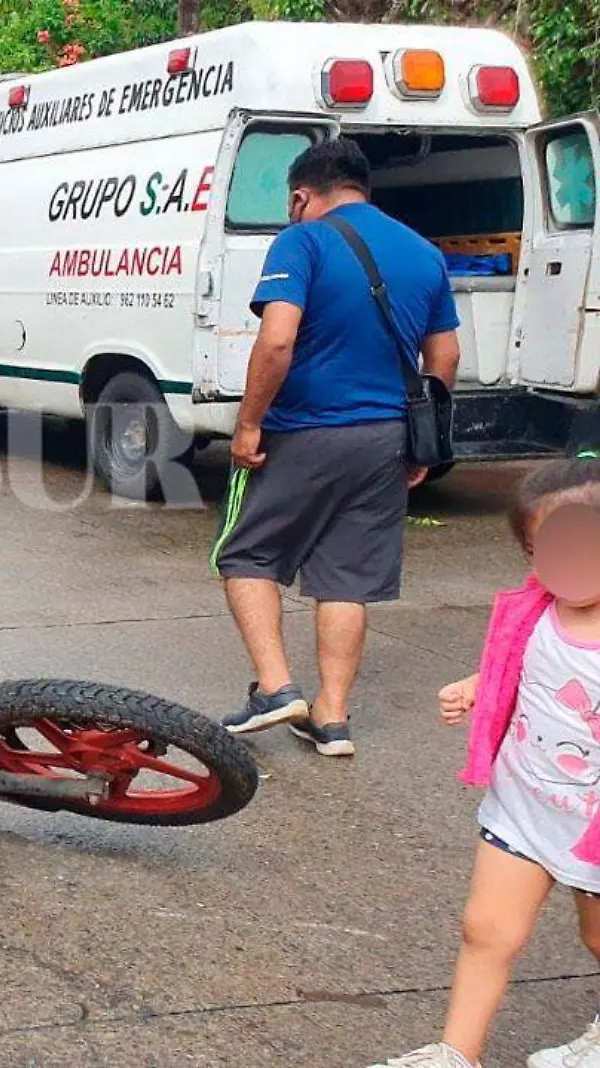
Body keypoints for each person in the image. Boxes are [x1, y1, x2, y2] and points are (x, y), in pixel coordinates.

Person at [213, 138, 462, 758]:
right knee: (346, 575)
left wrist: (248, 425)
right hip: (385, 437)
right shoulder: (424, 252)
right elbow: (445, 357)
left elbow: (276, 342)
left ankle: (275, 690)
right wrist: (417, 441)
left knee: (245, 555)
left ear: (301, 195)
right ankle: (332, 718)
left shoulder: (304, 240)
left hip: (307, 428)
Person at [367, 458, 600, 1068]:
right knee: (485, 930)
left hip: (593, 826)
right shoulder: (535, 610)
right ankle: (455, 1054)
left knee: (598, 937)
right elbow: (522, 663)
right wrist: (479, 685)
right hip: (524, 805)